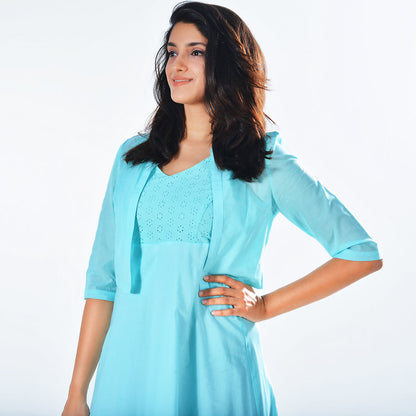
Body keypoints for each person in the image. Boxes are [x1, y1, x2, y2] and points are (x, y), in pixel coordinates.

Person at [62, 2, 383, 415]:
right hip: (128, 377)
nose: (177, 64)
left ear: (227, 63)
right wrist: (76, 393)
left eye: (196, 51)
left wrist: (265, 306)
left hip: (217, 377)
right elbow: (103, 283)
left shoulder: (262, 161)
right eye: (172, 52)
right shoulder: (132, 159)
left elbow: (360, 253)